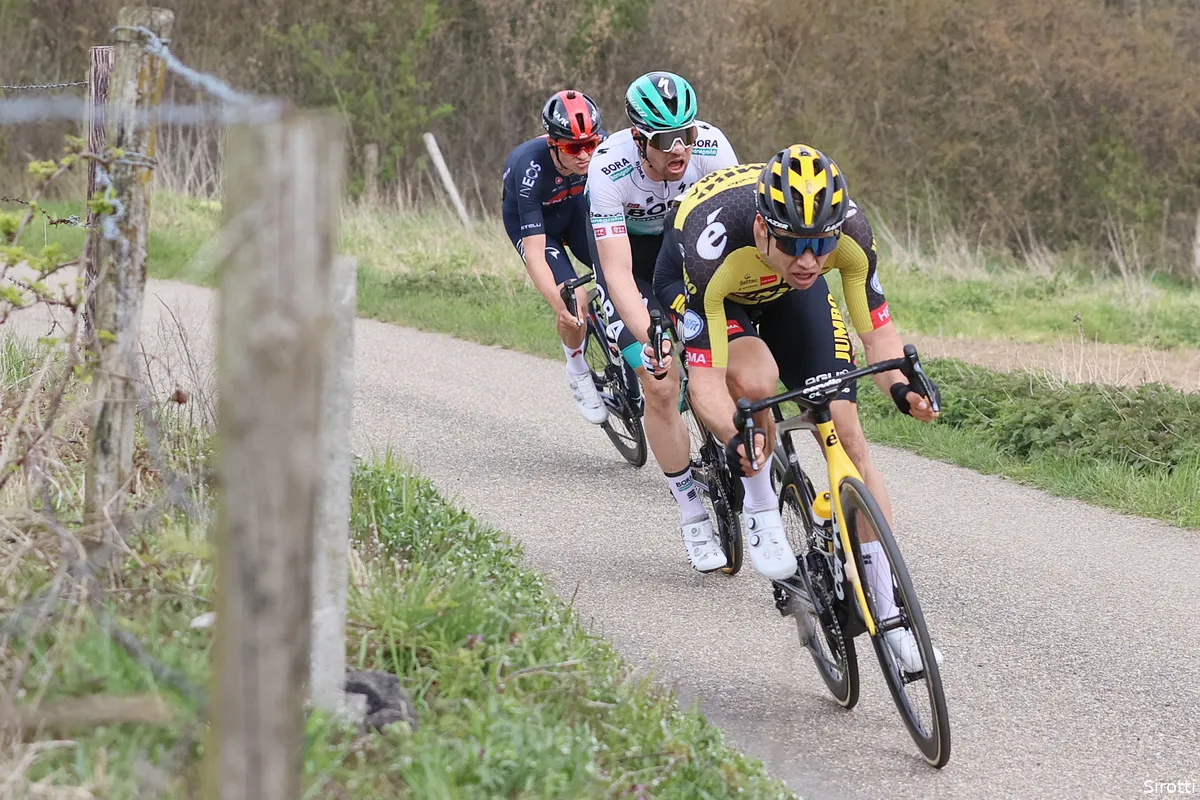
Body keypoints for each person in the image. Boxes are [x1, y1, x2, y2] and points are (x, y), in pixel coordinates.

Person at [655, 143, 944, 671]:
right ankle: (761, 503)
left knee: (849, 436)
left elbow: (877, 336)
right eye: (794, 244)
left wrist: (904, 390)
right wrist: (737, 438)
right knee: (757, 379)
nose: (810, 259)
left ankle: (888, 609)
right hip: (714, 290)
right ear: (763, 228)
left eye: (820, 244)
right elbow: (705, 383)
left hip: (784, 292)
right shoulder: (712, 247)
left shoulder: (849, 235)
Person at [584, 71, 740, 573]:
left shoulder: (712, 148)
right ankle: (692, 513)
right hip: (629, 259)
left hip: (685, 250)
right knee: (660, 381)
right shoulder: (608, 168)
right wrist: (651, 333)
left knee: (731, 355)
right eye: (665, 140)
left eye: (686, 134)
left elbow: (736, 237)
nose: (679, 149)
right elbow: (617, 272)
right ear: (638, 138)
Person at [502, 89, 608, 424]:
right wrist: (558, 304)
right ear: (553, 144)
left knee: (621, 269)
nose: (585, 154)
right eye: (574, 148)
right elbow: (535, 255)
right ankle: (577, 370)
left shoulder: (604, 148)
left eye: (591, 144)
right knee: (573, 299)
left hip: (574, 212)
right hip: (536, 228)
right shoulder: (528, 167)